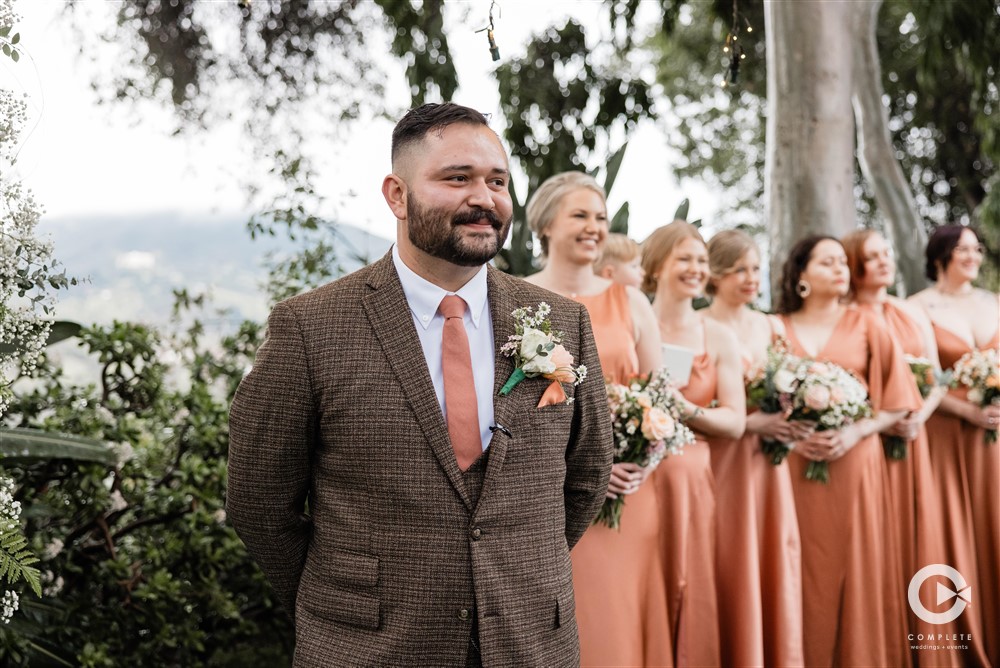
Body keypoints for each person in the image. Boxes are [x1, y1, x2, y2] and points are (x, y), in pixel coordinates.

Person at [226, 103, 614, 667]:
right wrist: (336, 602)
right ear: (397, 195)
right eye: (457, 178)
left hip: (533, 642)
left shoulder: (562, 321)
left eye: (497, 181)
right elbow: (259, 503)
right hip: (368, 647)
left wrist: (519, 571)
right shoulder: (310, 328)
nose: (484, 198)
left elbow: (586, 474)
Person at [523, 171, 667, 667]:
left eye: (601, 217)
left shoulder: (632, 301)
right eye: (580, 215)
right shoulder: (512, 298)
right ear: (545, 225)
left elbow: (660, 395)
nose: (594, 227)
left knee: (621, 619)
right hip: (546, 502)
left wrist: (642, 460)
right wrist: (578, 471)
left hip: (628, 497)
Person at [776, 235, 917, 667]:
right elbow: (758, 400)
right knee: (795, 566)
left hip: (856, 463)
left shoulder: (868, 324)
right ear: (801, 274)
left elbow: (898, 400)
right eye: (827, 263)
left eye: (842, 262)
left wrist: (856, 433)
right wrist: (793, 435)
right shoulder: (775, 327)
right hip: (790, 465)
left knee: (857, 567)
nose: (840, 269)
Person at [842, 229, 958, 667]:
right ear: (856, 266)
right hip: (869, 442)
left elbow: (934, 375)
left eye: (886, 252)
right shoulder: (846, 318)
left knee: (917, 531)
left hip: (914, 439)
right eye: (872, 257)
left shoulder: (911, 313)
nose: (884, 261)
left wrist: (918, 416)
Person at [642, 220, 746, 667]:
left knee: (689, 579)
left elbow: (735, 421)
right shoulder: (633, 319)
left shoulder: (718, 337)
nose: (695, 268)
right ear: (657, 264)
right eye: (684, 258)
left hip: (692, 481)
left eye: (701, 260)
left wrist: (679, 408)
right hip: (637, 477)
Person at [702, 229, 804, 667]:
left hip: (769, 463)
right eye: (739, 269)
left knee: (771, 555)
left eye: (756, 269)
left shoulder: (771, 325)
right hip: (723, 458)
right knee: (727, 554)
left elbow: (797, 383)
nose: (750, 278)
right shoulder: (701, 325)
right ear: (716, 273)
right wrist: (750, 422)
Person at [909, 224, 999, 667]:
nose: (973, 256)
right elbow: (920, 380)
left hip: (995, 437)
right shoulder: (916, 307)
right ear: (941, 254)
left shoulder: (994, 303)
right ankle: (958, 640)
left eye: (976, 249)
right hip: (946, 434)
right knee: (952, 529)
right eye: (963, 248)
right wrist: (967, 412)